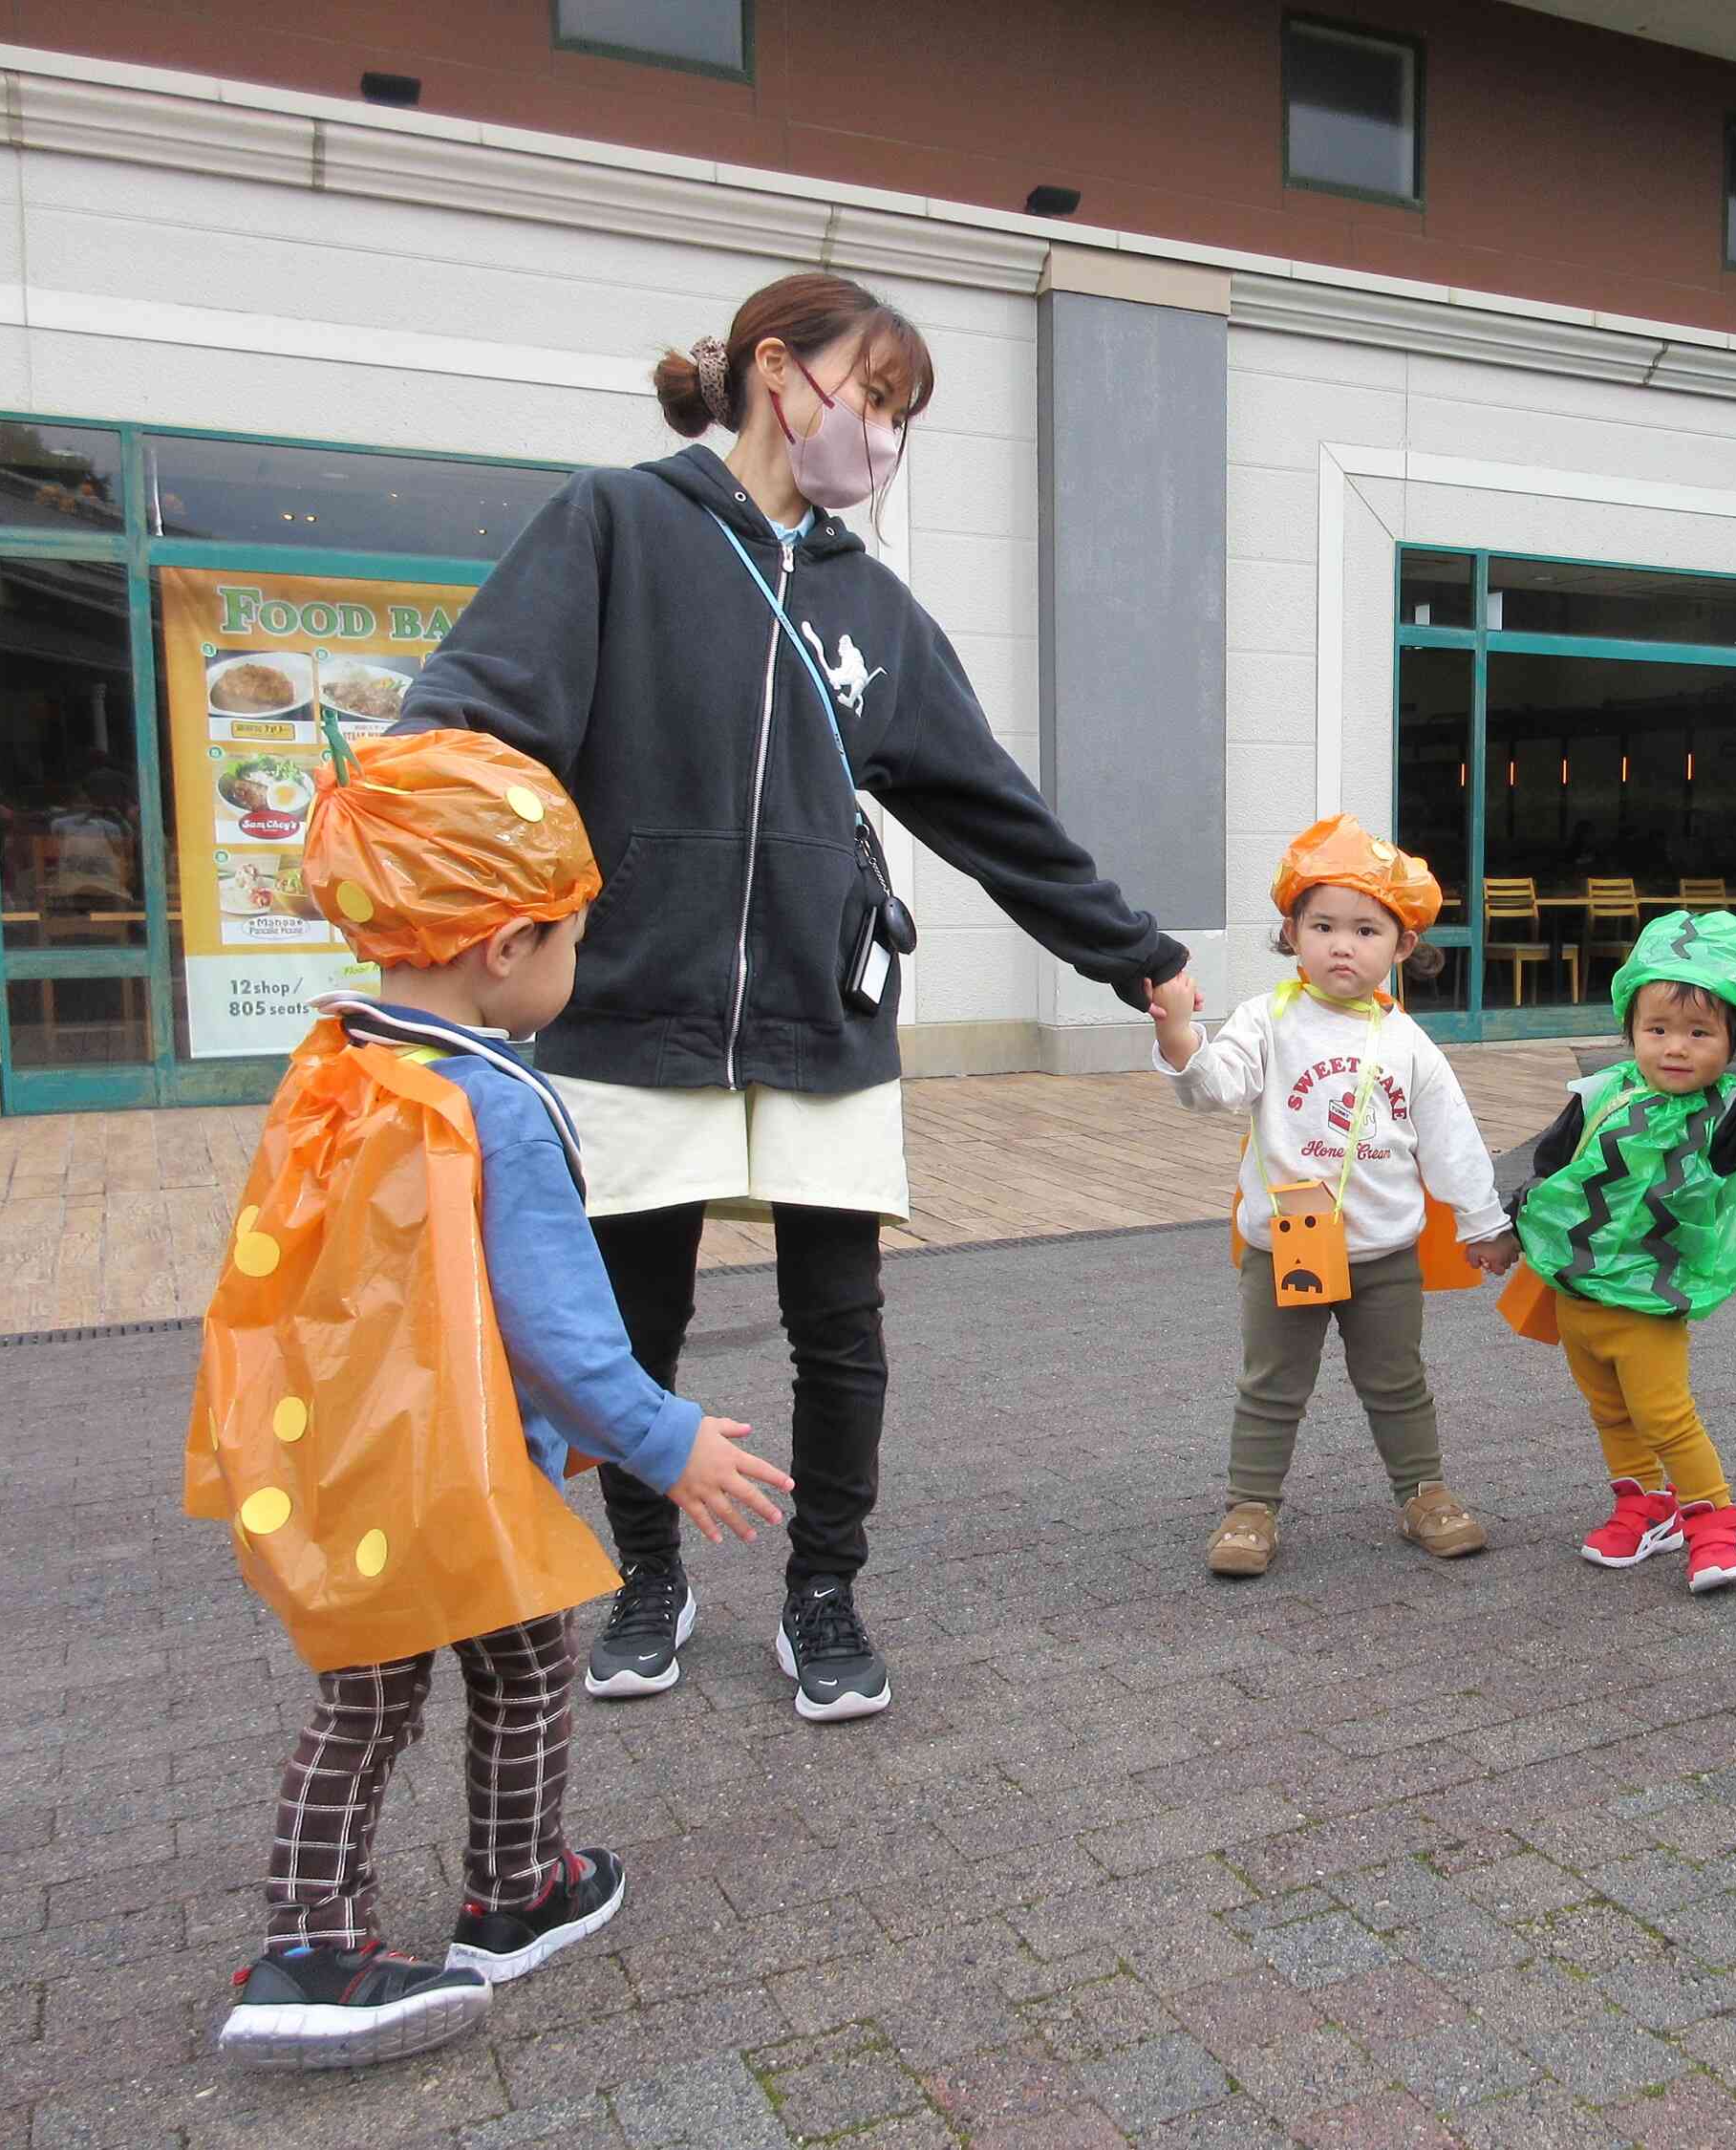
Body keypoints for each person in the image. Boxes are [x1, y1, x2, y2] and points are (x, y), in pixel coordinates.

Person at [396, 271, 1190, 1723]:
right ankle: (648, 1572)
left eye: (902, 415)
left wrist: (1138, 953)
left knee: (844, 1329)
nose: (881, 434)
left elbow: (989, 808)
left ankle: (823, 1591)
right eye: (873, 395)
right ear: (781, 370)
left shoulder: (870, 604)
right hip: (634, 1005)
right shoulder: (614, 528)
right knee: (627, 1330)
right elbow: (465, 709)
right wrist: (421, 880)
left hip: (825, 1016)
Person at [189, 729, 793, 2068]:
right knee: (375, 1691)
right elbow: (562, 1329)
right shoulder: (495, 1105)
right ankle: (311, 1942)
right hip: (438, 1459)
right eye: (572, 933)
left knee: (505, 1658)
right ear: (507, 943)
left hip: (349, 1441)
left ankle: (516, 1887)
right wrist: (666, 1438)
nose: (574, 961)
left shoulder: (341, 1059)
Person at [1151, 815, 1519, 1576]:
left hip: (1385, 1251)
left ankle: (1423, 1492)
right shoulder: (1267, 1019)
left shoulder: (1407, 1043)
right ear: (1292, 934)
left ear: (1403, 946)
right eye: (1322, 925)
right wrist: (1181, 1036)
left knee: (1397, 1380)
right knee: (1272, 1383)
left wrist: (1485, 1224)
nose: (1342, 945)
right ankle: (1250, 1507)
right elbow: (1214, 1090)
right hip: (1284, 1245)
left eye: (1365, 929)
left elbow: (1451, 1139)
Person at [1508, 911, 1736, 1595]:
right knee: (1611, 1412)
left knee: (1664, 1415)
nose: (1675, 1049)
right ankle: (1644, 1506)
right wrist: (1512, 1229)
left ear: (1733, 1040)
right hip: (1577, 1296)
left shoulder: (1727, 1118)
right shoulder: (1603, 1093)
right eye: (1657, 1030)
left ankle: (1715, 1519)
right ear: (1630, 1030)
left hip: (1648, 1303)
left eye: (1699, 1033)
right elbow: (1552, 1172)